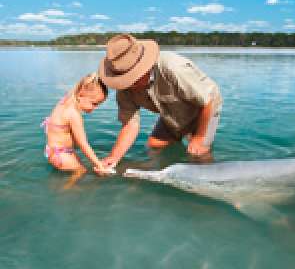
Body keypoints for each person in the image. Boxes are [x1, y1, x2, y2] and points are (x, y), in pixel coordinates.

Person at [98, 34, 222, 169]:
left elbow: (206, 102)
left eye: (131, 78)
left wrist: (198, 139)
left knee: (197, 153)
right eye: (124, 78)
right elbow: (130, 125)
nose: (128, 85)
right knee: (154, 145)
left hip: (203, 108)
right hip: (170, 110)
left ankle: (211, 177)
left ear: (144, 69)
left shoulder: (173, 68)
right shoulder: (124, 88)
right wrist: (114, 157)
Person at [41, 72, 109, 188]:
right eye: (94, 104)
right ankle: (67, 190)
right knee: (81, 170)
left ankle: (58, 185)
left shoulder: (65, 101)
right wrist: (99, 165)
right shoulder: (74, 114)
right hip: (61, 155)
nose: (95, 108)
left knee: (80, 164)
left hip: (52, 151)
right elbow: (83, 144)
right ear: (81, 95)